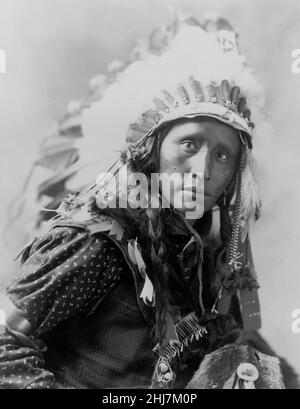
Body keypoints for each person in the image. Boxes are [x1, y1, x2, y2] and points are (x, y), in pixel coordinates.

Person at [0, 16, 298, 389]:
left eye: (223, 156)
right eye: (189, 144)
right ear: (152, 151)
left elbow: (232, 339)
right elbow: (5, 340)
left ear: (236, 175)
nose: (202, 170)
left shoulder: (206, 251)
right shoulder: (99, 239)